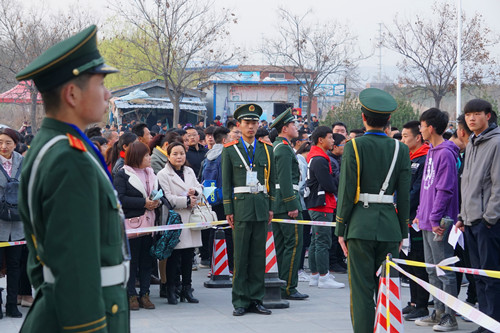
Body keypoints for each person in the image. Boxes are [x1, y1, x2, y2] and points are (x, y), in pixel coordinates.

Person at [16, 25, 129, 332]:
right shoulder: (68, 158)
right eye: (101, 83)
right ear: (72, 93)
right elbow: (75, 267)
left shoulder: (59, 146)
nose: (107, 94)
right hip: (83, 319)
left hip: (60, 310)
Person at [335, 88, 411, 333]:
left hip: (360, 225)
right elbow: (405, 195)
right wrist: (402, 231)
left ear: (363, 117)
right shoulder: (402, 149)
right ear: (389, 121)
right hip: (389, 226)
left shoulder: (354, 146)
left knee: (361, 291)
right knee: (388, 290)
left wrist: (340, 226)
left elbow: (347, 191)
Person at [222, 103, 275, 316]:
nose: (251, 127)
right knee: (241, 256)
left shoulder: (267, 149)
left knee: (258, 256)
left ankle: (256, 299)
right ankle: (240, 301)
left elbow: (273, 180)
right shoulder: (230, 150)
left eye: (254, 122)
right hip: (241, 207)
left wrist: (271, 206)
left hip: (261, 206)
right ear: (239, 125)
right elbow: (226, 182)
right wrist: (229, 209)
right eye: (247, 123)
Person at [413, 108, 460, 331]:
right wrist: (421, 213)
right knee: (432, 270)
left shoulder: (445, 153)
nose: (420, 130)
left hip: (440, 221)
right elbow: (427, 188)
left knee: (444, 270)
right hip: (427, 219)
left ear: (430, 128)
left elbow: (445, 189)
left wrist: (434, 218)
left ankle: (450, 316)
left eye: (421, 126)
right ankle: (439, 311)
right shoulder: (431, 151)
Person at [456, 99, 500, 333]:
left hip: (488, 223)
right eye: (468, 115)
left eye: (476, 114)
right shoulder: (472, 142)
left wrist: (489, 218)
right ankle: (485, 321)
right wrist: (463, 215)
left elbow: (497, 186)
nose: (471, 118)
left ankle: (494, 323)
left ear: (488, 116)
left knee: (491, 275)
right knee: (478, 275)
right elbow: (468, 183)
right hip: (470, 220)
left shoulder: (496, 143)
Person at [114, 141, 159, 311]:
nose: (149, 158)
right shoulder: (123, 174)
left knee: (147, 261)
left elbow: (156, 193)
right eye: (146, 155)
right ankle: (131, 294)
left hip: (150, 224)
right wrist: (143, 203)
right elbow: (120, 198)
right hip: (131, 225)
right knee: (132, 262)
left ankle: (145, 294)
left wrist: (156, 202)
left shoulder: (151, 173)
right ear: (137, 157)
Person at [269, 108, 308, 300]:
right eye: (293, 124)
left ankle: (282, 284)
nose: (297, 127)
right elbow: (284, 179)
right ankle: (288, 287)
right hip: (286, 203)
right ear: (285, 128)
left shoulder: (280, 146)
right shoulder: (283, 148)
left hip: (280, 203)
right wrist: (292, 204)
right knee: (293, 244)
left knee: (282, 245)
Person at [158, 142, 203, 305]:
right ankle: (171, 289)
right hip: (175, 219)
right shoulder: (163, 174)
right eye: (175, 154)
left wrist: (195, 193)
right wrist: (186, 200)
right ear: (168, 156)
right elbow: (167, 198)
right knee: (174, 256)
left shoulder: (189, 171)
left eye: (182, 153)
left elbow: (200, 188)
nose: (179, 157)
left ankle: (187, 289)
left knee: (188, 256)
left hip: (191, 219)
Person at [305, 126, 345, 289]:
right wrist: (337, 178)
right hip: (322, 205)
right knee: (322, 241)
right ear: (320, 140)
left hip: (318, 204)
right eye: (330, 137)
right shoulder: (320, 159)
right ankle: (323, 275)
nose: (333, 141)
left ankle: (315, 274)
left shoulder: (317, 157)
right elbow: (329, 184)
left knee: (316, 240)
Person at [400, 120, 430, 321]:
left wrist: (401, 207)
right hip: (405, 218)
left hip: (417, 218)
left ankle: (422, 304)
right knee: (410, 262)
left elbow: (417, 191)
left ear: (417, 137)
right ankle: (412, 302)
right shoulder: (408, 158)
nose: (403, 140)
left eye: (405, 136)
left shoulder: (426, 157)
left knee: (419, 262)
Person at [0, 128, 24, 318]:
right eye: (0, 142)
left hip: (17, 223)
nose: (4, 146)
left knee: (15, 265)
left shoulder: (23, 162)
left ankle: (12, 304)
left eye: (8, 142)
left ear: (15, 144)